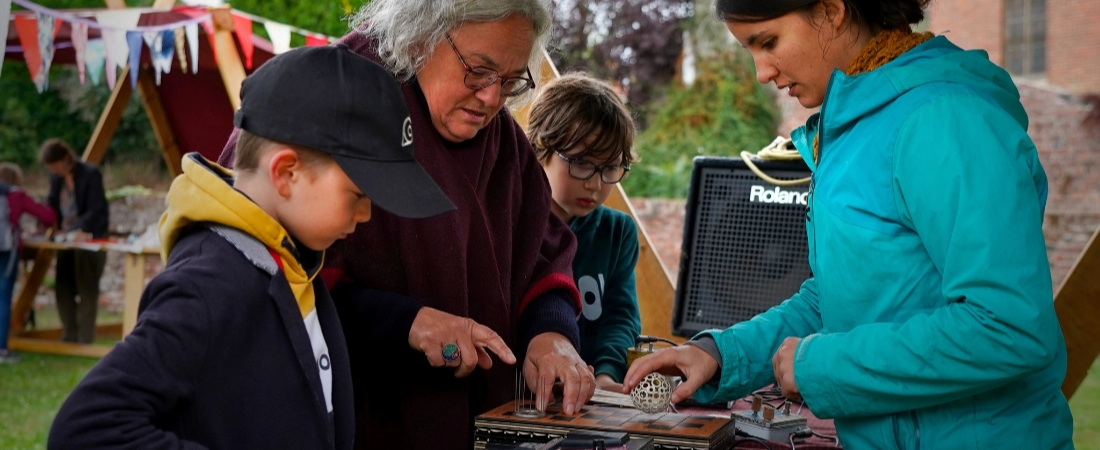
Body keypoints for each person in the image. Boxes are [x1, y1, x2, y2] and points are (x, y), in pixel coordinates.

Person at [624, 0, 1074, 448]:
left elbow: (1007, 326)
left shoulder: (949, 118)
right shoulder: (851, 129)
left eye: (768, 41)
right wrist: (720, 355)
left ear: (831, 10)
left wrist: (820, 366)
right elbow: (842, 297)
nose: (761, 72)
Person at [216, 2, 595, 448]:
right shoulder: (329, 92)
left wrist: (551, 334)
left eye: (512, 81)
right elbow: (252, 268)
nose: (493, 98)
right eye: (479, 69)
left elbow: (542, 255)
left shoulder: (504, 141)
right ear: (420, 35)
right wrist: (404, 322)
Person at [47, 45, 456, 450]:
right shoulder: (206, 283)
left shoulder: (293, 261)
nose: (366, 213)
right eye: (357, 193)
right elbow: (85, 427)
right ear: (286, 173)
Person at [527, 73, 641, 393]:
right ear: (541, 147)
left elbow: (620, 317)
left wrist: (607, 374)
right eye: (580, 163)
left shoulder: (617, 232)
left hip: (592, 391)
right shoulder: (515, 226)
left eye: (609, 168)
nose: (594, 183)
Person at [40, 138, 109, 344]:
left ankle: (85, 338)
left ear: (64, 159)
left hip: (90, 239)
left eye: (54, 165)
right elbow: (52, 204)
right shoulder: (56, 180)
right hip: (66, 240)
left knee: (87, 287)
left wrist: (75, 227)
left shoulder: (90, 174)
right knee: (63, 286)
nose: (53, 170)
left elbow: (97, 209)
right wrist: (43, 219)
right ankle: (69, 334)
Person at [0, 163, 57, 363]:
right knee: (3, 297)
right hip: (6, 250)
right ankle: (2, 350)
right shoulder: (16, 195)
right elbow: (48, 216)